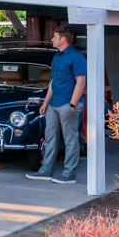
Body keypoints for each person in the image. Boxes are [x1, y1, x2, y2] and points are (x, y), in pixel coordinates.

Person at [26, 24, 87, 184]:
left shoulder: (76, 57)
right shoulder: (57, 57)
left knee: (70, 139)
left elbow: (81, 82)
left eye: (54, 36)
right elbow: (54, 81)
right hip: (54, 104)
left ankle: (69, 174)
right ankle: (46, 171)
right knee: (50, 138)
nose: (52, 39)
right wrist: (46, 102)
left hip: (68, 105)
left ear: (63, 39)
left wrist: (72, 105)